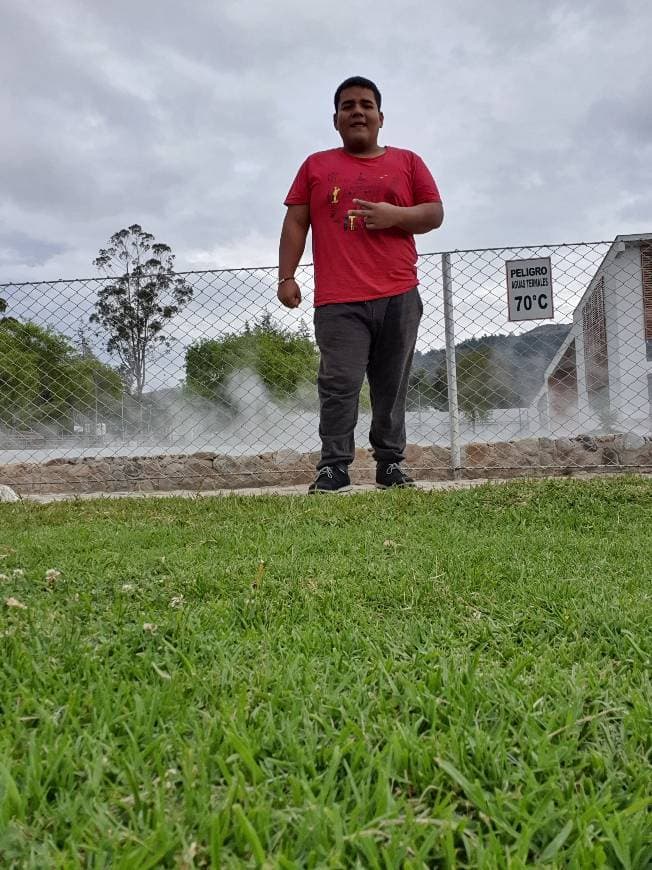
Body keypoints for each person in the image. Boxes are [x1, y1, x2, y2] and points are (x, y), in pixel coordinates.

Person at [278, 76, 443, 493]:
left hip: (399, 294)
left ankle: (390, 465)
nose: (357, 111)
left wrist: (395, 216)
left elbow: (434, 213)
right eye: (348, 105)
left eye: (366, 105)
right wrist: (286, 276)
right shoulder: (316, 166)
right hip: (339, 300)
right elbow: (297, 221)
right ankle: (333, 467)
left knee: (391, 386)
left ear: (380, 117)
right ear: (335, 120)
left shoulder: (408, 162)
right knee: (339, 385)